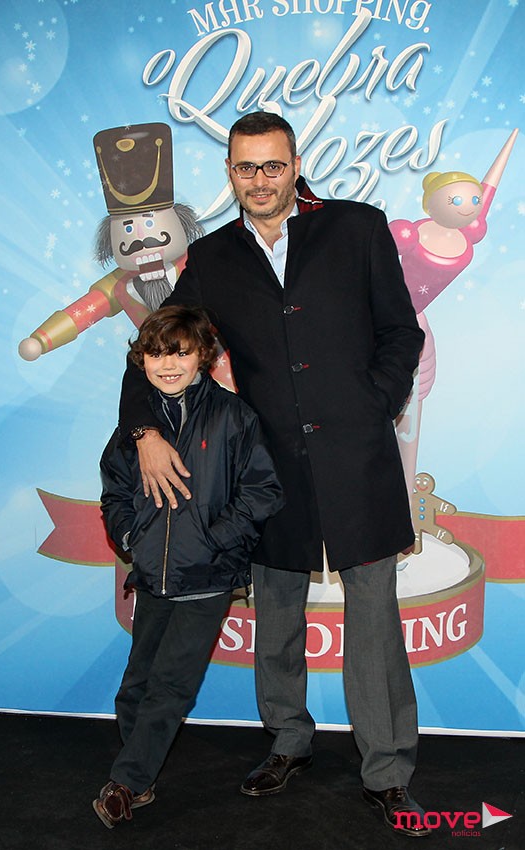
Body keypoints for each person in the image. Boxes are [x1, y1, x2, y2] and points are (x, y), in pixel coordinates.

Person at [118, 112, 429, 837]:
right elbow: (157, 343)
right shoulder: (212, 256)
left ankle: (386, 771)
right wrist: (144, 431)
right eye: (245, 167)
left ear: (294, 164)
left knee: (374, 617)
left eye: (272, 166)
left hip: (357, 456)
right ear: (229, 172)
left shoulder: (356, 227)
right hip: (266, 465)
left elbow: (400, 330)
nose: (259, 180)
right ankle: (288, 741)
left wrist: (375, 401)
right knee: (278, 610)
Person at [94, 304, 284, 829]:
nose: (169, 364)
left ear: (204, 355)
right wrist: (131, 538)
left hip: (207, 578)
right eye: (157, 354)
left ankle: (126, 782)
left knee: (171, 687)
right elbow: (114, 489)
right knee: (136, 686)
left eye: (180, 353)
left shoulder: (234, 416)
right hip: (152, 576)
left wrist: (213, 542)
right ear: (142, 361)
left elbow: (262, 491)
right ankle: (141, 778)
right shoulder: (136, 426)